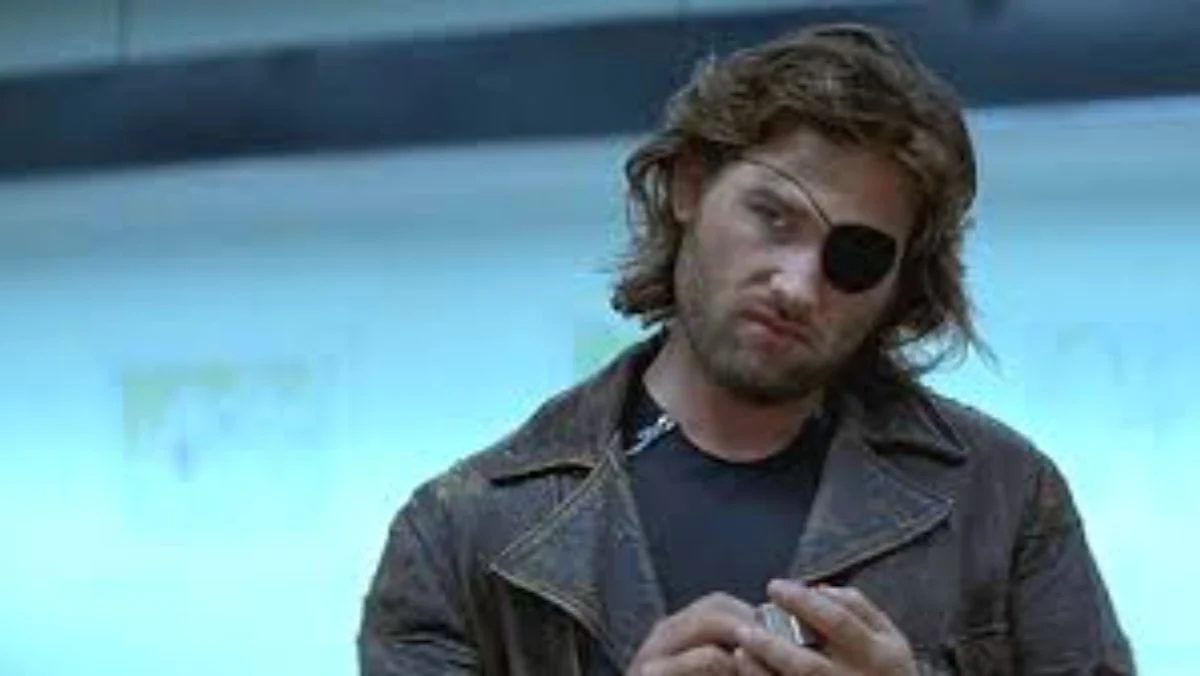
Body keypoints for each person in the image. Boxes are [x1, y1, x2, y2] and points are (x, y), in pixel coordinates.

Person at [357, 22, 1134, 675]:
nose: (797, 285)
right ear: (689, 187)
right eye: (773, 216)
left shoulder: (1004, 499)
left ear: (900, 286)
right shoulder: (461, 534)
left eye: (855, 257)